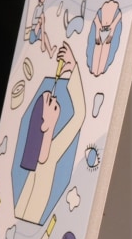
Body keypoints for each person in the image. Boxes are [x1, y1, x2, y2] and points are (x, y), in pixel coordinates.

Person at [14, 41, 83, 226]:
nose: (55, 97)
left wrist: (72, 69)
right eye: (50, 101)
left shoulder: (41, 157)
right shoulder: (50, 154)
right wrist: (73, 67)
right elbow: (79, 115)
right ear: (43, 123)